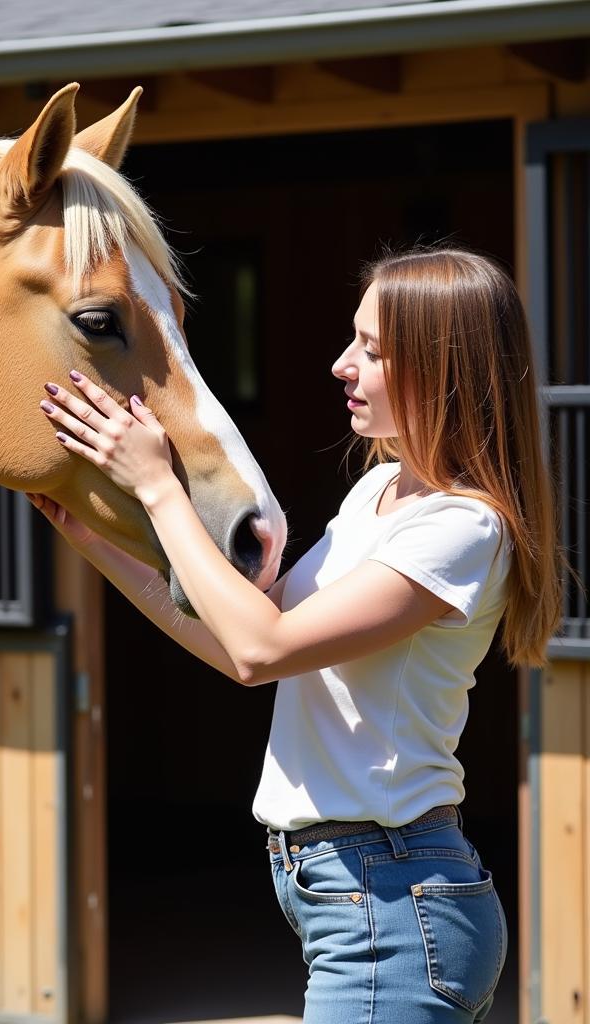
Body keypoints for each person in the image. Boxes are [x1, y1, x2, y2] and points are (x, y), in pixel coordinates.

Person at [28, 246, 562, 1023]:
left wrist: (158, 486)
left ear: (441, 366)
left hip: (392, 903)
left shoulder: (463, 526)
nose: (343, 365)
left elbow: (260, 649)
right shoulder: (381, 490)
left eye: (372, 350)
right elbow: (236, 639)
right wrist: (94, 542)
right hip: (353, 891)